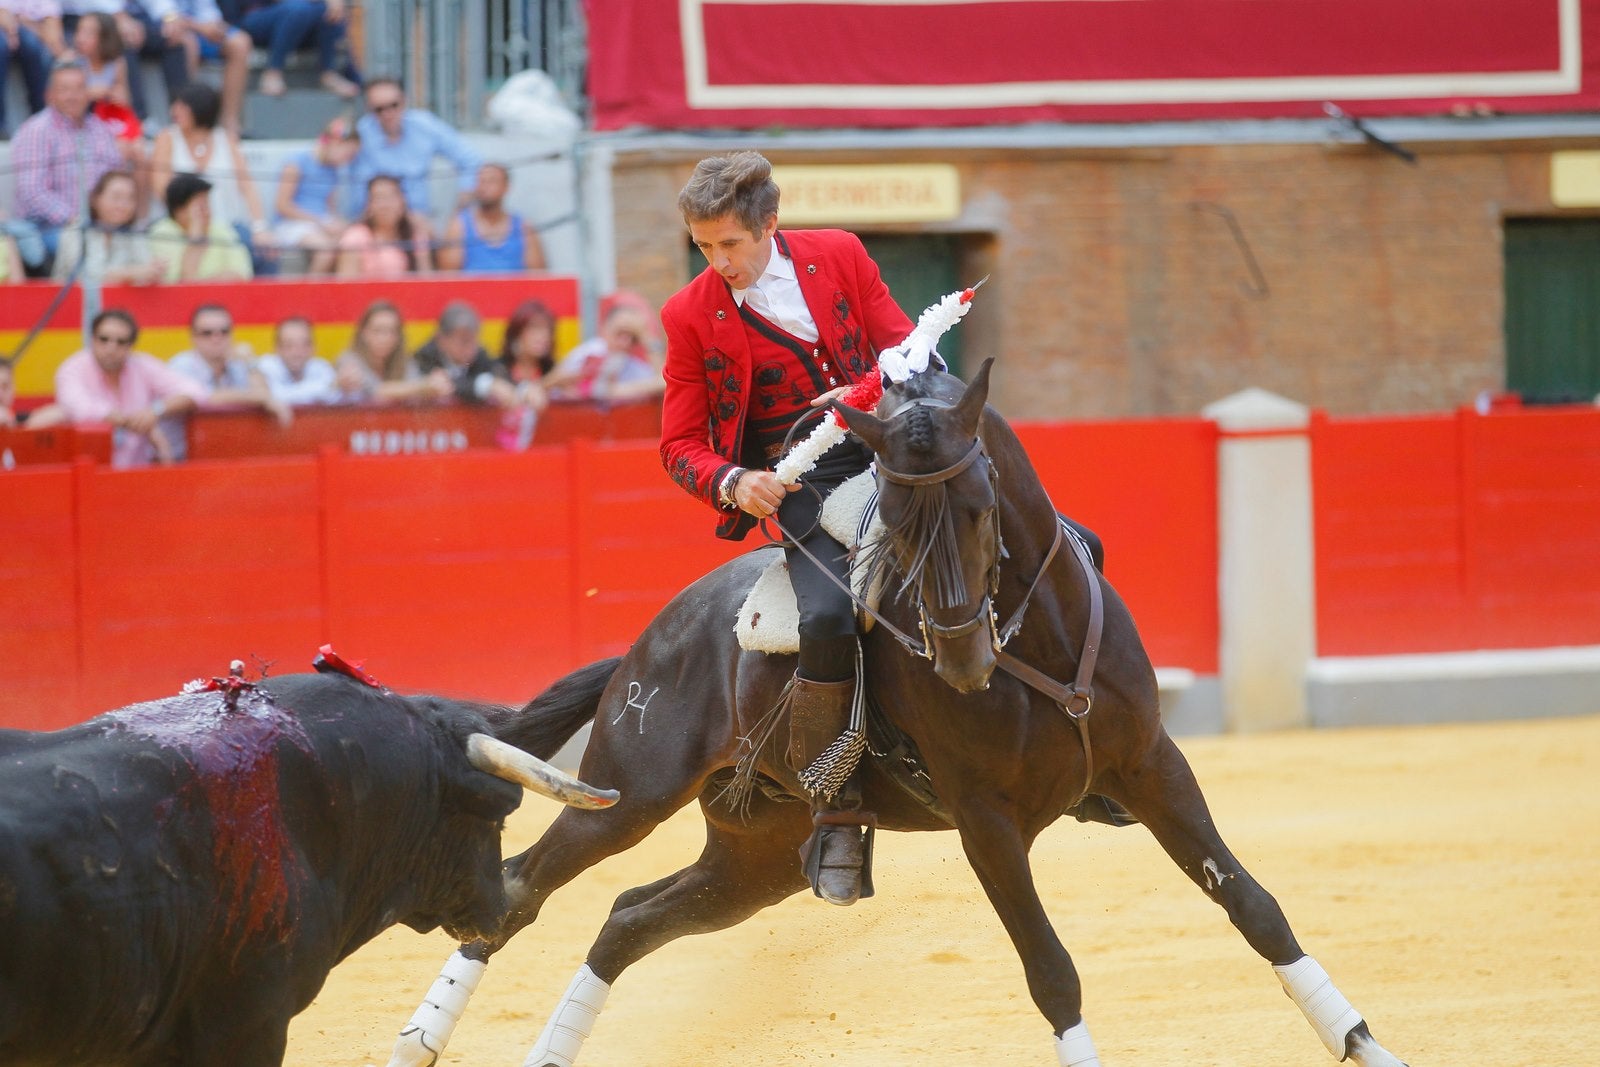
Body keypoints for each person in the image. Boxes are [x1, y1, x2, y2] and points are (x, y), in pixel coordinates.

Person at [659, 151, 914, 907]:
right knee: (829, 614)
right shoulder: (688, 315)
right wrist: (735, 481)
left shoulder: (839, 253)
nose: (718, 262)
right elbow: (679, 445)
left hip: (891, 449)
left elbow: (906, 348)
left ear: (769, 224)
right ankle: (836, 811)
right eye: (704, 247)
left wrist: (872, 385)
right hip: (801, 484)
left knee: (1053, 539)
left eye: (729, 244)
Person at [8, 59, 123, 270]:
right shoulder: (37, 130)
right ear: (49, 95)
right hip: (51, 227)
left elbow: (116, 179)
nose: (73, 96)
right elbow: (32, 192)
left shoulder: (99, 129)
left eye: (80, 88)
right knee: (86, 249)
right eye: (65, 89)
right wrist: (76, 219)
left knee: (140, 244)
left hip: (103, 224)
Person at [53, 307, 204, 466]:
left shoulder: (141, 365)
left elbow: (196, 392)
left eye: (120, 342)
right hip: (87, 475)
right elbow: (81, 409)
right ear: (92, 339)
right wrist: (139, 424)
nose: (111, 348)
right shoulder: (73, 368)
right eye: (104, 339)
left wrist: (155, 410)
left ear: (131, 345)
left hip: (136, 475)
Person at [149, 81, 268, 263]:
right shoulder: (167, 138)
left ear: (200, 109)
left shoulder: (227, 140)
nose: (174, 111)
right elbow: (161, 188)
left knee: (264, 252)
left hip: (227, 224)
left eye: (182, 107)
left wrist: (260, 228)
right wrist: (191, 221)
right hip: (181, 225)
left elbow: (248, 187)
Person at [351, 76, 480, 219]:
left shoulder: (424, 125)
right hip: (377, 222)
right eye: (379, 109)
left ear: (405, 101)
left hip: (420, 221)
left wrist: (462, 202)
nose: (388, 114)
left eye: (394, 105)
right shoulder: (360, 134)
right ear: (368, 108)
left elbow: (470, 160)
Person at [137, 0, 249, 135]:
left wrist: (215, 27)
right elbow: (165, 15)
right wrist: (199, 27)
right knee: (187, 43)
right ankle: (190, 118)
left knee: (240, 43)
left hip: (200, 31)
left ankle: (230, 124)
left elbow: (209, 13)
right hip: (167, 31)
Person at [168, 302, 289, 424]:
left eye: (224, 331)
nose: (216, 338)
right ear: (193, 337)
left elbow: (265, 393)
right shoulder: (182, 365)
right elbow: (199, 398)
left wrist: (250, 362)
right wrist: (256, 398)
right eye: (207, 333)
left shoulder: (237, 364)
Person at [269, 114, 356, 274]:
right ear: (336, 143)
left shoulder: (334, 171)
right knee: (326, 251)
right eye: (347, 154)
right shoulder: (296, 163)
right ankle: (311, 292)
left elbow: (330, 207)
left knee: (351, 241)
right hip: (292, 224)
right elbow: (282, 206)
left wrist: (337, 224)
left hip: (319, 223)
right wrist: (320, 221)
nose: (347, 161)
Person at [413, 300, 537, 410]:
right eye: (464, 341)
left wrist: (524, 389)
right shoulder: (424, 357)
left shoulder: (478, 353)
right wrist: (488, 385)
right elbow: (447, 385)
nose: (471, 347)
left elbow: (500, 375)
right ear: (441, 338)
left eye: (474, 339)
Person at [51, 167, 164, 283]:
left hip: (120, 301)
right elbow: (87, 275)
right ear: (96, 199)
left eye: (130, 198)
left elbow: (144, 269)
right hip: (73, 300)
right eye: (116, 197)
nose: (123, 205)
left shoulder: (133, 232)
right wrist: (133, 273)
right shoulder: (76, 229)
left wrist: (154, 271)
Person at [230, 0, 358, 101]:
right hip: (247, 20)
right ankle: (273, 73)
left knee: (328, 10)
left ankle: (329, 74)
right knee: (299, 8)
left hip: (292, 19)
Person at [545, 297, 663, 403]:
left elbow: (663, 384)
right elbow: (553, 384)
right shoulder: (589, 353)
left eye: (633, 337)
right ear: (604, 328)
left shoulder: (632, 364)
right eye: (619, 333)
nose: (625, 342)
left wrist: (647, 337)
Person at [333, 299, 450, 405]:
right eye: (378, 331)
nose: (385, 338)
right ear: (364, 333)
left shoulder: (404, 360)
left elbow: (414, 387)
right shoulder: (349, 359)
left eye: (391, 331)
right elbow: (375, 391)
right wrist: (423, 386)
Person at [436, 162, 545, 273]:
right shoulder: (458, 227)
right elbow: (448, 280)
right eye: (481, 181)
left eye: (492, 181)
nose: (484, 187)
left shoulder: (524, 228)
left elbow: (539, 278)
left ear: (506, 187)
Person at [147, 171, 252, 281]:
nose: (208, 211)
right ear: (179, 210)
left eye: (208, 204)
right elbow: (180, 283)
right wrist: (196, 241)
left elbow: (241, 274)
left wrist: (204, 283)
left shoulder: (220, 229)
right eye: (201, 206)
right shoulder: (162, 233)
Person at [334, 174, 430, 277]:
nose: (386, 205)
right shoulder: (355, 237)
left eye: (391, 197)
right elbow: (346, 286)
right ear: (369, 205)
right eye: (379, 198)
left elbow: (426, 281)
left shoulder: (415, 236)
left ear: (403, 201)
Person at [0, 1, 61, 138]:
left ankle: (41, 116)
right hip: (6, 30)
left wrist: (21, 24)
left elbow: (53, 34)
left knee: (33, 47)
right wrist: (12, 29)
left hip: (30, 34)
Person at [257, 315, 337, 405]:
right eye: (289, 345)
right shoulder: (266, 366)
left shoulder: (321, 367)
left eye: (304, 345)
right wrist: (325, 388)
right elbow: (275, 396)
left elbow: (336, 396)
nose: (297, 352)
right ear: (277, 349)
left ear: (313, 348)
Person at [0, 357, 68, 428]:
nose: (0, 394)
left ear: (13, 389)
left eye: (5, 386)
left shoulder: (21, 420)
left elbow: (60, 412)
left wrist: (23, 427)